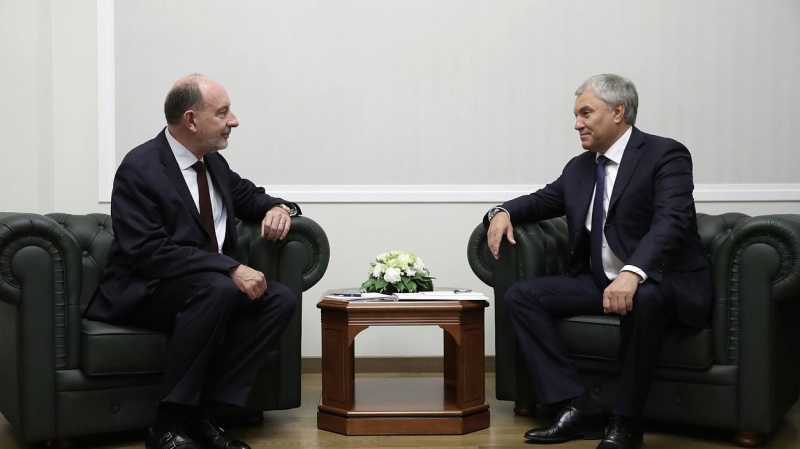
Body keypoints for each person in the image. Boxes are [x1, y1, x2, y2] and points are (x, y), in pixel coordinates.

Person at [485, 74, 713, 449]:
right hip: (601, 282)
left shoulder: (665, 154)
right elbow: (541, 201)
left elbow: (672, 221)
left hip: (664, 281)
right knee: (522, 296)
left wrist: (633, 272)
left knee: (644, 298)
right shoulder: (580, 167)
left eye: (586, 113)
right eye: (576, 115)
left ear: (618, 111)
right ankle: (577, 406)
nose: (577, 124)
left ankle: (626, 422)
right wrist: (501, 212)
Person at [85, 74, 300, 449]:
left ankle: (204, 416)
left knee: (278, 299)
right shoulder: (140, 167)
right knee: (218, 288)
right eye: (223, 112)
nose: (234, 120)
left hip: (204, 288)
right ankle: (166, 425)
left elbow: (251, 197)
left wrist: (279, 208)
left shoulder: (212, 163)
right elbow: (148, 251)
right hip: (149, 289)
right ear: (191, 120)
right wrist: (229, 268)